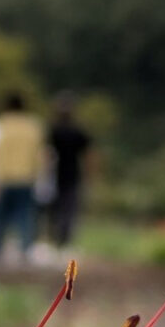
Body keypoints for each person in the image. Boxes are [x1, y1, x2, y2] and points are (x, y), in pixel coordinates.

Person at [0, 92, 47, 265]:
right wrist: (40, 176)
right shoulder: (33, 126)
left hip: (4, 178)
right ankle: (25, 250)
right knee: (25, 216)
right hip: (26, 178)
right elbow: (39, 154)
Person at [48, 93, 92, 249]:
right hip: (69, 173)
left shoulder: (54, 129)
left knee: (59, 207)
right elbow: (88, 154)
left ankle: (59, 237)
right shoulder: (75, 130)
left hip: (59, 173)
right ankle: (62, 238)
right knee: (68, 207)